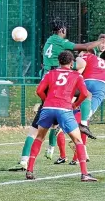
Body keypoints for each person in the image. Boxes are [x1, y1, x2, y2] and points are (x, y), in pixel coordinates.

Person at [9, 19, 105, 171]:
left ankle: (27, 159)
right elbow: (85, 47)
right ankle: (83, 125)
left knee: (38, 128)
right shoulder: (60, 42)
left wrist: (45, 100)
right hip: (57, 84)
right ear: (62, 30)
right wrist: (101, 40)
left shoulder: (49, 42)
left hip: (48, 82)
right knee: (86, 97)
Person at [26, 51, 97, 182]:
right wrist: (75, 105)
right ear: (72, 63)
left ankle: (29, 170)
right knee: (77, 140)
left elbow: (39, 91)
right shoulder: (76, 75)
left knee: (40, 137)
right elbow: (85, 94)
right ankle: (84, 174)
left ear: (59, 62)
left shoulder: (50, 73)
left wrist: (46, 100)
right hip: (64, 109)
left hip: (47, 108)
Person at [55, 37, 105, 165]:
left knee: (75, 112)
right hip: (99, 88)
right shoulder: (103, 62)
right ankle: (79, 150)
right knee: (84, 118)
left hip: (83, 85)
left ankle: (72, 146)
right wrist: (103, 81)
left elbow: (76, 67)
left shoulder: (87, 57)